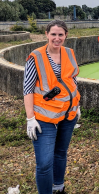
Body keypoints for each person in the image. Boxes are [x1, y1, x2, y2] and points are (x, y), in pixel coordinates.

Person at [24, 20, 81, 194]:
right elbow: (27, 88)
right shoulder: (36, 57)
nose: (57, 38)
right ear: (47, 34)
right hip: (44, 118)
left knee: (60, 153)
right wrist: (30, 118)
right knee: (44, 163)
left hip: (68, 115)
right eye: (53, 34)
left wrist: (76, 105)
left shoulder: (69, 53)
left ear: (66, 36)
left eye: (60, 34)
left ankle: (58, 187)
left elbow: (72, 80)